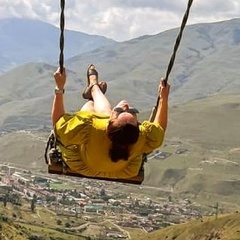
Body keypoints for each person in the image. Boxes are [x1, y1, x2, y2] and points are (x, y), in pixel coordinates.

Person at [51, 64, 170, 179]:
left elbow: (58, 123)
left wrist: (59, 88)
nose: (126, 104)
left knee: (94, 108)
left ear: (109, 123)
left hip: (83, 165)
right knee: (101, 112)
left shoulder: (91, 128)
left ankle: (93, 87)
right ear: (138, 128)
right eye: (132, 111)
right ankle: (94, 89)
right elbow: (159, 129)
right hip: (123, 171)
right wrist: (164, 98)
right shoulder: (143, 136)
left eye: (119, 110)